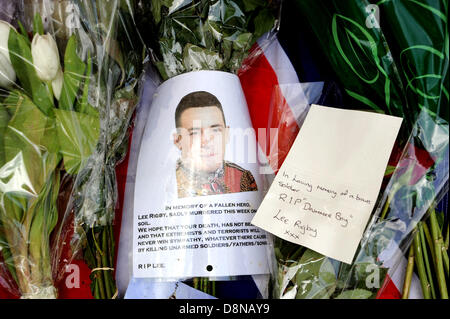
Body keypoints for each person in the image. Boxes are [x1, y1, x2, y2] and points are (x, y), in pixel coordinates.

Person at [173, 91, 257, 198]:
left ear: (226, 134)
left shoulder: (243, 179)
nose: (207, 142)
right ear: (178, 141)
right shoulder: (166, 182)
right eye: (194, 133)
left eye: (216, 130)